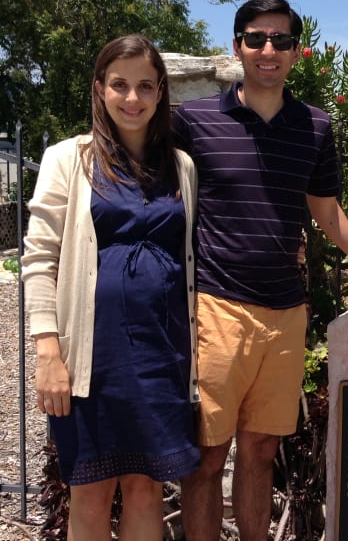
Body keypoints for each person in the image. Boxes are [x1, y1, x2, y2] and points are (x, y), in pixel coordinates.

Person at [171, 0, 348, 540]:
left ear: (299, 52)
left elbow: (326, 213)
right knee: (204, 458)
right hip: (214, 309)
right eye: (256, 38)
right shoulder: (191, 121)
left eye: (281, 40)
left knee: (261, 451)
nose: (268, 49)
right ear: (237, 46)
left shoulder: (315, 127)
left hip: (286, 315)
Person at [22, 35, 200, 539]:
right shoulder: (68, 159)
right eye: (119, 85)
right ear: (100, 89)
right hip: (92, 357)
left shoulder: (181, 167)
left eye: (145, 86)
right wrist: (48, 353)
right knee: (92, 488)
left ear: (161, 92)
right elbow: (39, 260)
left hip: (163, 351)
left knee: (146, 485)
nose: (132, 98)